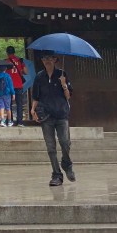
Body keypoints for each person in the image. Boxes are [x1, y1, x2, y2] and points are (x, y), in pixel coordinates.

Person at [31, 51, 75, 187]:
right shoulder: (39, 77)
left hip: (61, 114)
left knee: (65, 143)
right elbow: (36, 96)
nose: (47, 61)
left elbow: (68, 96)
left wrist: (64, 84)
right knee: (50, 147)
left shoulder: (62, 74)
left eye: (50, 58)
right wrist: (33, 110)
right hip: (46, 115)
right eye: (44, 58)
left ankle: (67, 164)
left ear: (55, 59)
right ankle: (56, 175)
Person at [5, 46, 27, 125]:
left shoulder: (5, 62)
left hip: (9, 86)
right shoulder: (20, 61)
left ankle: (9, 121)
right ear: (14, 52)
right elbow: (26, 72)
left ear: (7, 53)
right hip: (19, 85)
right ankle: (20, 122)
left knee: (8, 104)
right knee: (19, 104)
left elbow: (4, 73)